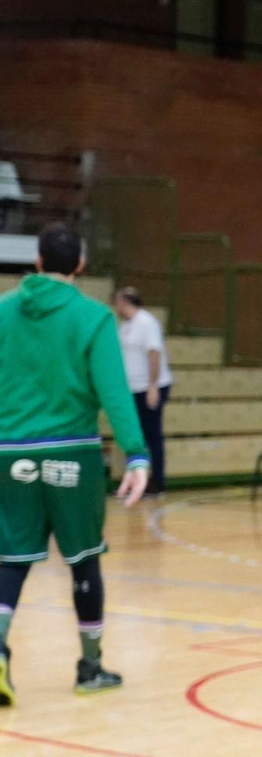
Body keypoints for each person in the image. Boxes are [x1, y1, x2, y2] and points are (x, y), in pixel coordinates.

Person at [0, 223, 149, 706]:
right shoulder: (93, 318)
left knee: (11, 559)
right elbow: (114, 391)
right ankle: (90, 665)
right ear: (80, 266)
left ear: (38, 261)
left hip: (11, 454)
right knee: (84, 558)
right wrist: (136, 452)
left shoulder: (3, 314)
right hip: (73, 455)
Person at [112, 286, 174, 495]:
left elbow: (154, 354)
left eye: (117, 302)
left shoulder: (146, 322)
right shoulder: (126, 326)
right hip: (132, 389)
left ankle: (157, 481)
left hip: (148, 388)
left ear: (125, 302)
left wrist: (153, 386)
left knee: (152, 435)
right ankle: (135, 479)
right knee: (134, 436)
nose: (115, 306)